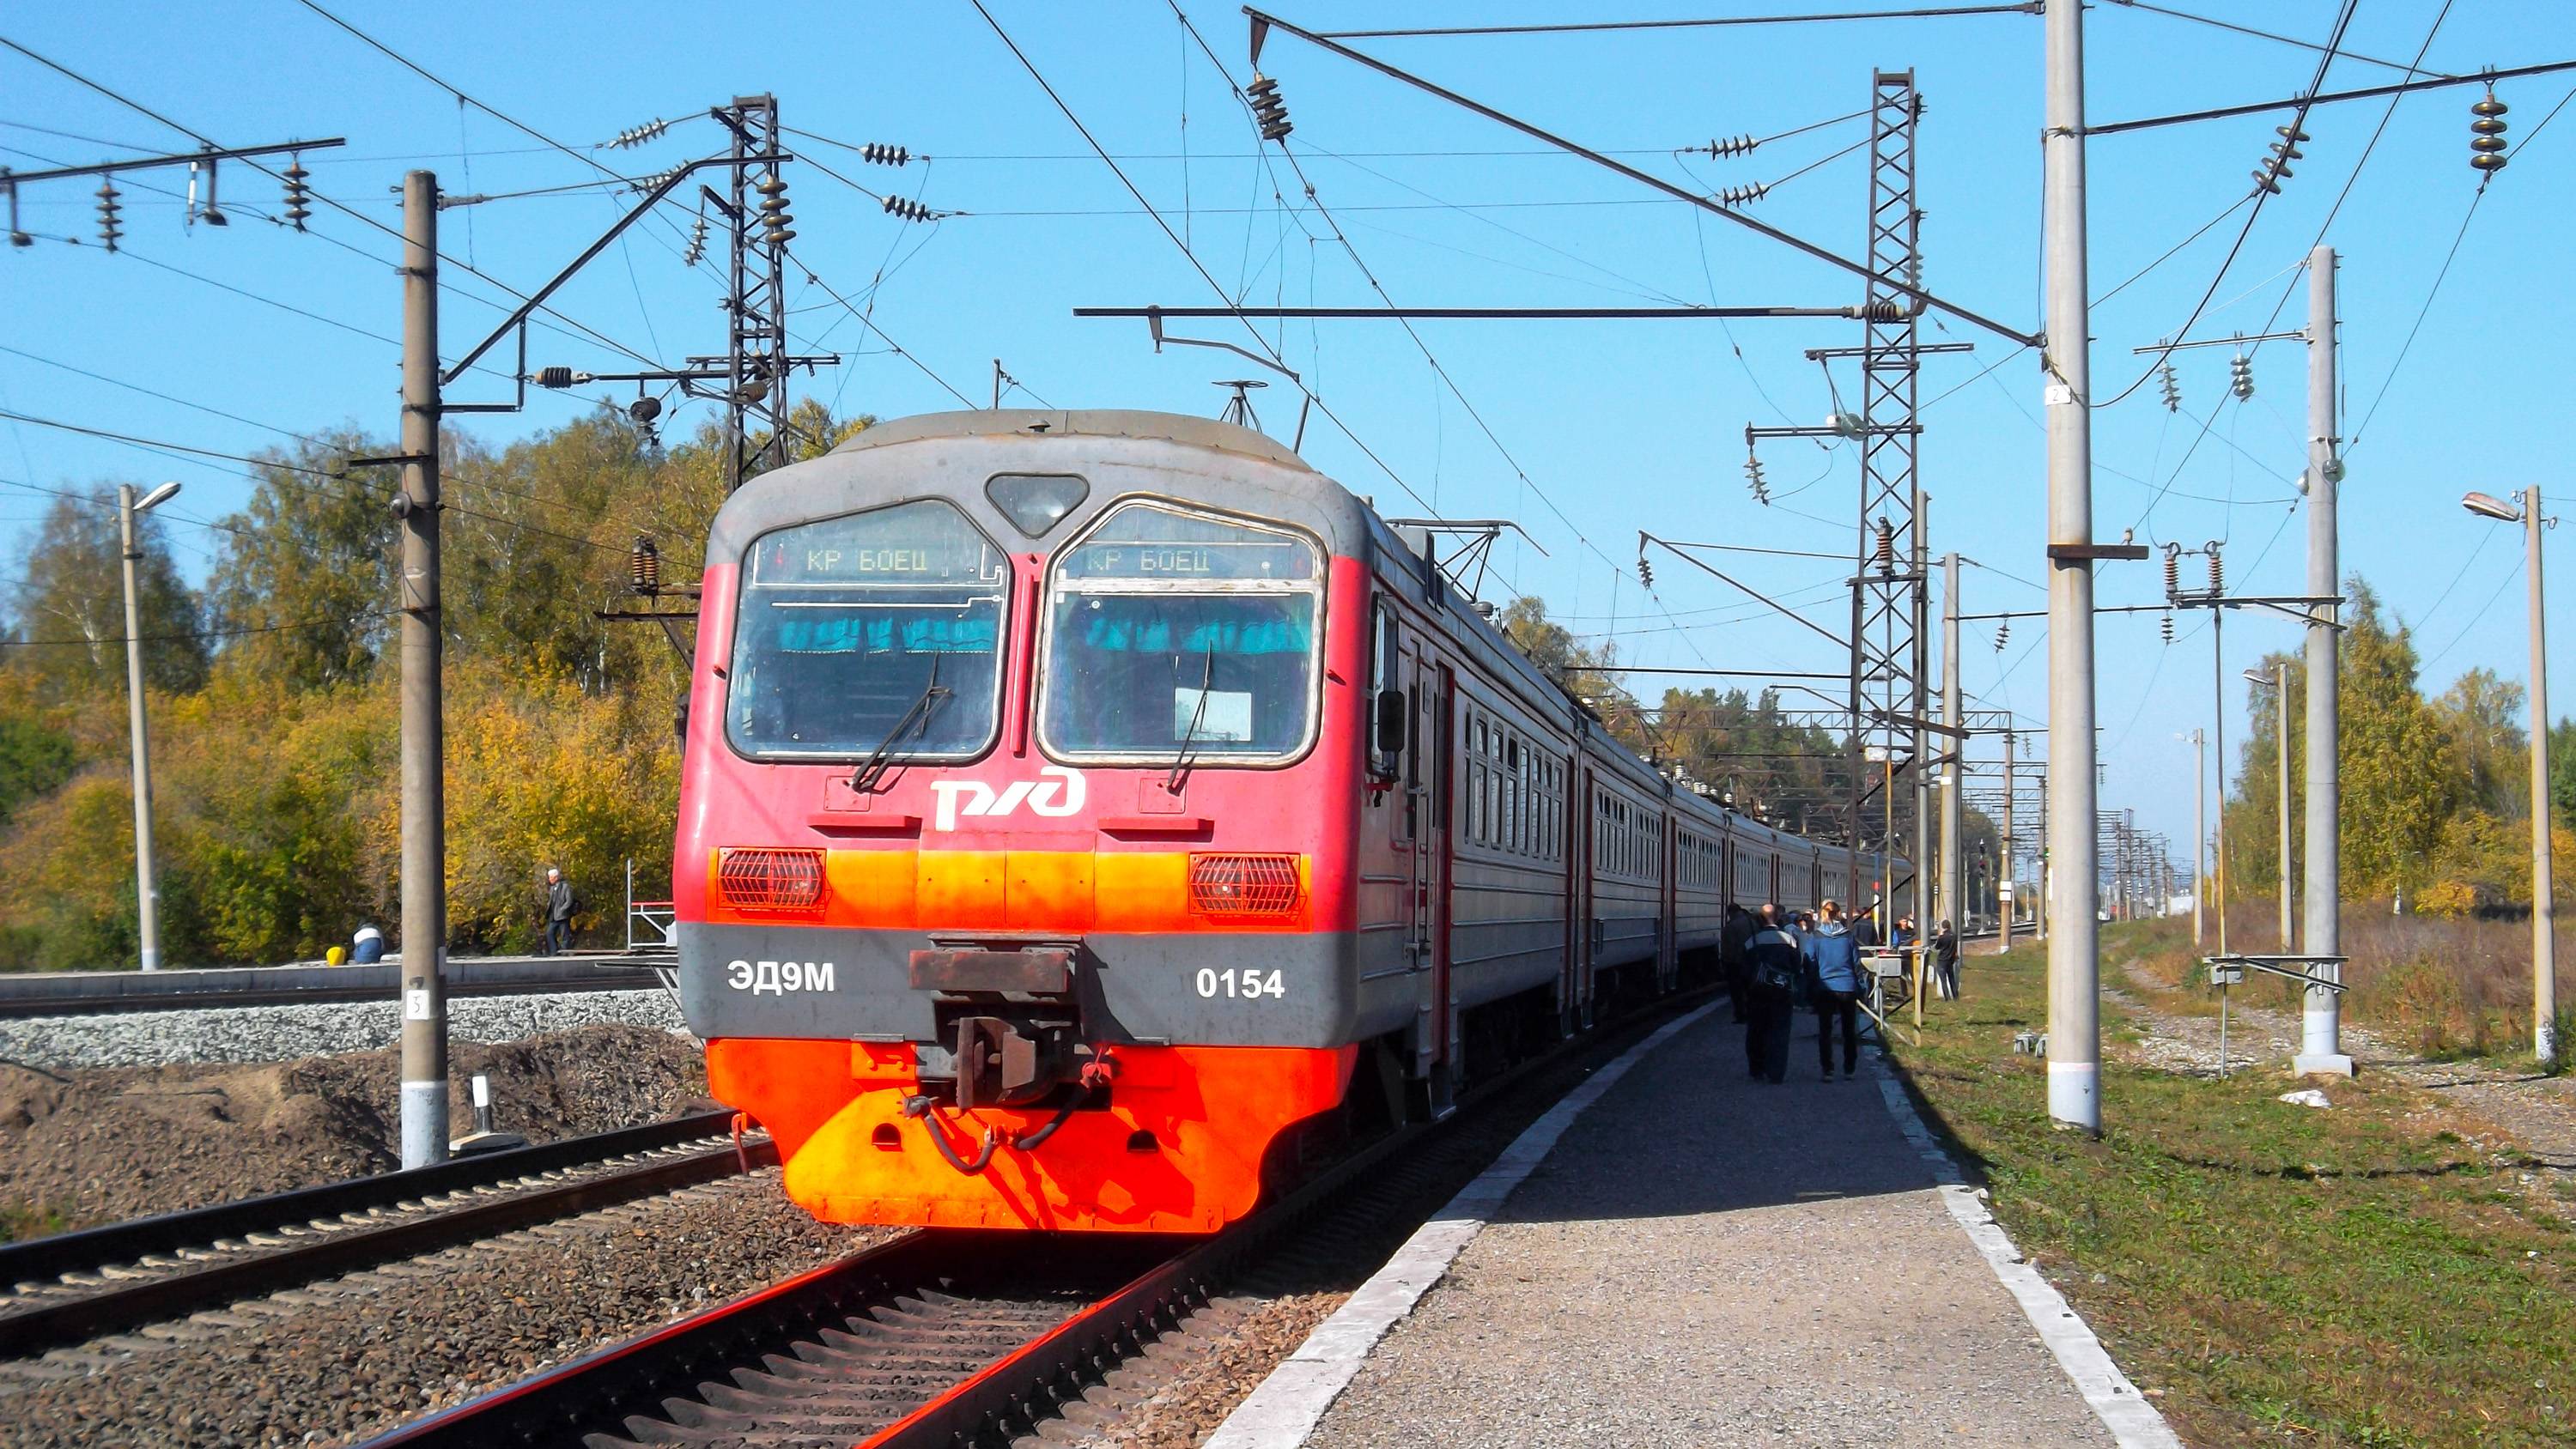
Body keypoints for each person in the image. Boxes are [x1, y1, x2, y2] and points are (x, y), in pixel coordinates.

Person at [1801, 898, 1865, 1081]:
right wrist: (1861, 987)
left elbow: (1809, 963)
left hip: (1825, 988)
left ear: (1822, 915)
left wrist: (1811, 986)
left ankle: (1828, 1069)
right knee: (1849, 1029)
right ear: (1839, 915)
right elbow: (1856, 964)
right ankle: (1849, 1068)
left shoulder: (1816, 937)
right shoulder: (1848, 936)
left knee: (1825, 1030)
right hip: (1847, 987)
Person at [1741, 903, 1802, 1084]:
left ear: (1759, 919)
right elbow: (1797, 967)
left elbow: (1744, 970)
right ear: (1778, 918)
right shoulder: (1789, 940)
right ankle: (1776, 1072)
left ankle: (1757, 1069)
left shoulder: (1752, 941)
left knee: (1756, 1031)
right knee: (1780, 1032)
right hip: (1782, 992)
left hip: (1757, 993)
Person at [1721, 903, 1758, 1023]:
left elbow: (1729, 947)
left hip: (1736, 963)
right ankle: (1753, 1014)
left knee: (1737, 992)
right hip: (1752, 961)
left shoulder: (1731, 926)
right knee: (1750, 990)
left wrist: (1726, 961)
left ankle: (1741, 1015)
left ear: (1731, 913)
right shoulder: (1753, 923)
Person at [541, 867, 576, 956]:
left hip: (563, 916)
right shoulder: (552, 888)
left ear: (556, 877)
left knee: (565, 935)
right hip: (554, 916)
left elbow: (569, 901)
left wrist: (562, 910)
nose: (549, 879)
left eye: (551, 877)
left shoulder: (566, 887)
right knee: (549, 933)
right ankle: (554, 951)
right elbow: (551, 902)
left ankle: (564, 952)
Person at [1933, 918, 1960, 999]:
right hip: (1950, 960)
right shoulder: (1954, 936)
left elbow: (1937, 947)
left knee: (1943, 980)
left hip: (1942, 960)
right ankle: (1955, 996)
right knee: (1951, 978)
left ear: (1943, 927)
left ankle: (1947, 997)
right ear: (1950, 926)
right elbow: (1955, 947)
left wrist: (1939, 937)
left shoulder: (1942, 937)